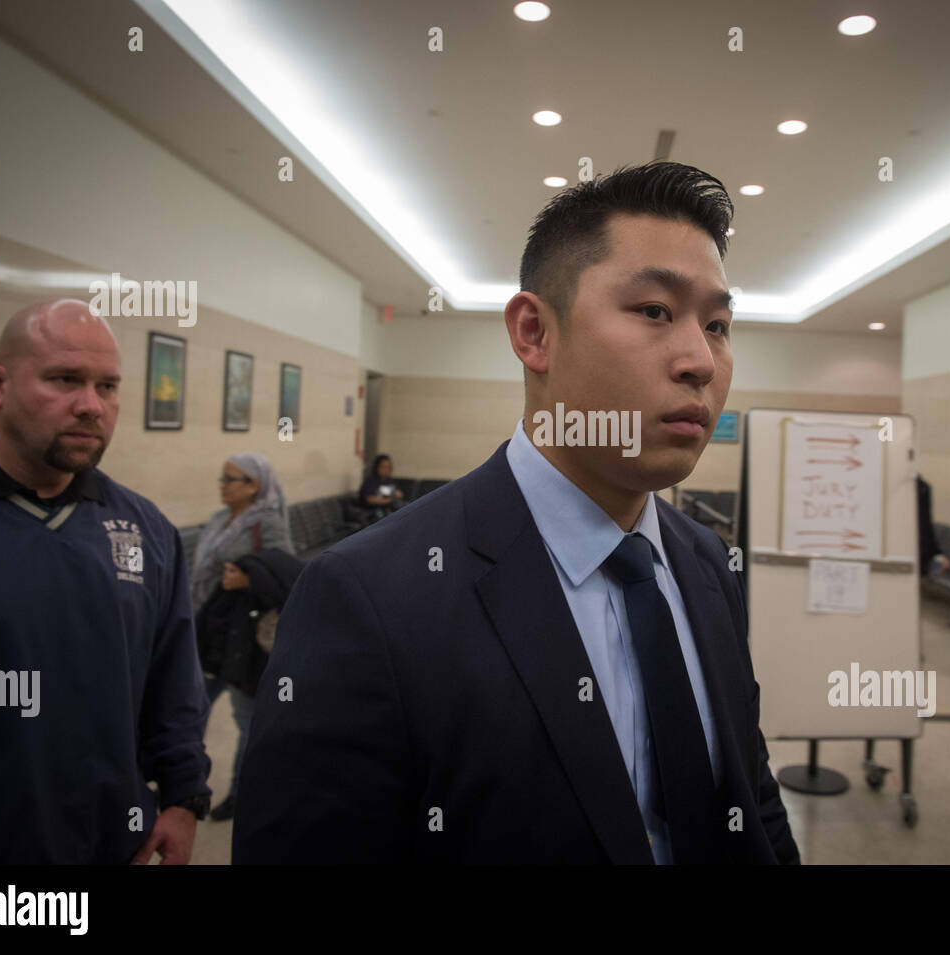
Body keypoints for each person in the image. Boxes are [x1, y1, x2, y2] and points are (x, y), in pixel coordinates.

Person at [234, 161, 799, 864]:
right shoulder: (369, 596)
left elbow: (751, 795)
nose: (700, 361)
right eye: (654, 310)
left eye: (717, 324)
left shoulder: (708, 565)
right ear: (535, 332)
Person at [0, 299, 211, 863]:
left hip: (108, 847)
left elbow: (172, 683)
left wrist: (184, 799)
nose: (91, 406)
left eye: (107, 387)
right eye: (65, 380)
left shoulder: (145, 530)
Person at [195, 547, 303, 821]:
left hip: (247, 677)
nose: (226, 577)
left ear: (251, 576)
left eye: (233, 572)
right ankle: (183, 783)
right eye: (226, 570)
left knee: (247, 731)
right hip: (218, 668)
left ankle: (237, 794)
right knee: (191, 716)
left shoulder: (268, 600)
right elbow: (207, 626)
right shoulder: (229, 598)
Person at [189, 454, 293, 616]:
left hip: (239, 613)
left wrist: (247, 581)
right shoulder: (219, 519)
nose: (223, 486)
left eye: (229, 480)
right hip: (205, 606)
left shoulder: (267, 523)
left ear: (254, 485)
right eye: (222, 480)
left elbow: (283, 571)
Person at [355, 453, 405, 524]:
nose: (386, 470)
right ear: (377, 467)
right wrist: (389, 500)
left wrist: (395, 494)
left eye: (388, 467)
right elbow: (370, 499)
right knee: (383, 515)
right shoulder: (370, 481)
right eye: (383, 467)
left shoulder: (389, 481)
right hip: (371, 510)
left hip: (386, 508)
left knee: (401, 506)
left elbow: (399, 494)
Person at [916, 474, 949, 576]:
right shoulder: (921, 488)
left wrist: (937, 553)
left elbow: (925, 527)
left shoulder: (921, 488)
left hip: (917, 560)